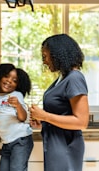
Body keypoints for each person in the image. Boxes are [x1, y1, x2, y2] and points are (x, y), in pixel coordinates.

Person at [29, 34, 89, 171]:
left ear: (58, 54)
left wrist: (45, 116)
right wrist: (42, 121)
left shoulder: (74, 78)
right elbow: (62, 113)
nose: (44, 61)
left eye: (45, 56)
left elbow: (82, 121)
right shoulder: (62, 78)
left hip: (66, 147)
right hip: (55, 144)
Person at [0, 63, 33, 171]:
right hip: (6, 142)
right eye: (6, 76)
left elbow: (23, 118)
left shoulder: (16, 95)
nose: (9, 81)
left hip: (21, 140)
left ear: (18, 85)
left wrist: (18, 105)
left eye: (14, 80)